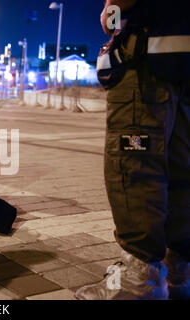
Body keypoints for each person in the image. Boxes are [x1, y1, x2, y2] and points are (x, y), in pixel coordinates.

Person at [76, 0, 190, 300]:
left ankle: (140, 280)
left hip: (147, 63)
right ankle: (178, 270)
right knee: (182, 170)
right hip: (184, 63)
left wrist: (111, 10)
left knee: (134, 169)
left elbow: (115, 14)